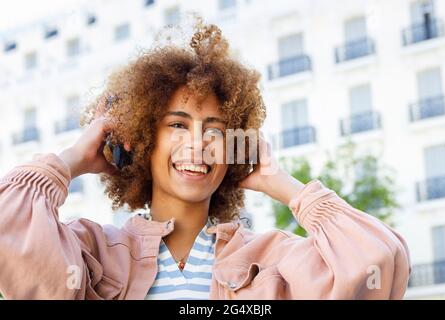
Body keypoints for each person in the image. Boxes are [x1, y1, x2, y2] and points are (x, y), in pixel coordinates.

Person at [0, 21, 410, 300]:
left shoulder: (271, 260)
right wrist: (72, 159)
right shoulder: (94, 254)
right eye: (178, 125)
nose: (197, 144)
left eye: (214, 130)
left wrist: (282, 184)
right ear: (141, 139)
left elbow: (377, 262)